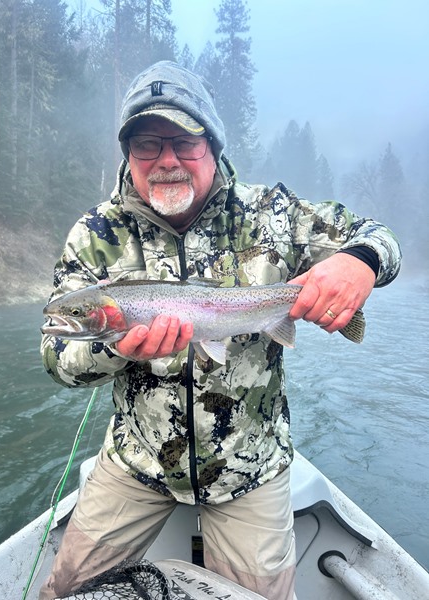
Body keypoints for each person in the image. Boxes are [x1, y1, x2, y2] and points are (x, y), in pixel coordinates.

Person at [39, 60, 401, 600]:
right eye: (147, 145)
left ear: (212, 145)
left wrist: (361, 262)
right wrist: (115, 351)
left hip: (250, 465)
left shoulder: (272, 215)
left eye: (184, 142)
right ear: (128, 155)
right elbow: (56, 358)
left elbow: (381, 238)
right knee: (64, 591)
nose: (167, 161)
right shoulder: (97, 234)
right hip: (138, 461)